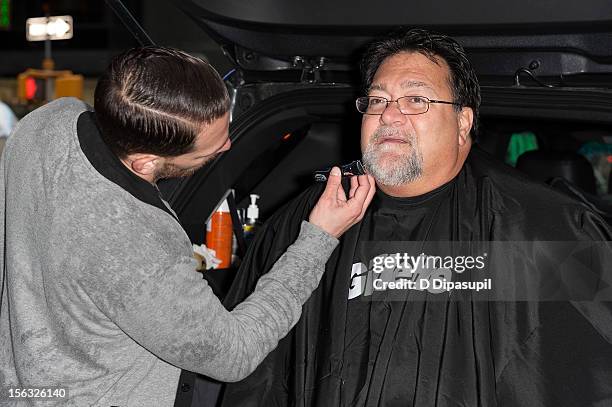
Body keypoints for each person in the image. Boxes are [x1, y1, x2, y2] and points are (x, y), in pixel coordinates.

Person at [220, 29, 612, 406]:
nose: (389, 116)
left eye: (415, 100)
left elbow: (588, 367)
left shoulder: (539, 228)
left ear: (462, 123)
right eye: (377, 100)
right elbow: (257, 375)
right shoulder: (309, 221)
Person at [0, 47, 375, 406]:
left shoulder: (49, 122)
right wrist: (319, 236)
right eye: (210, 150)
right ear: (146, 162)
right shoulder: (136, 246)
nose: (228, 146)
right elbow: (235, 353)